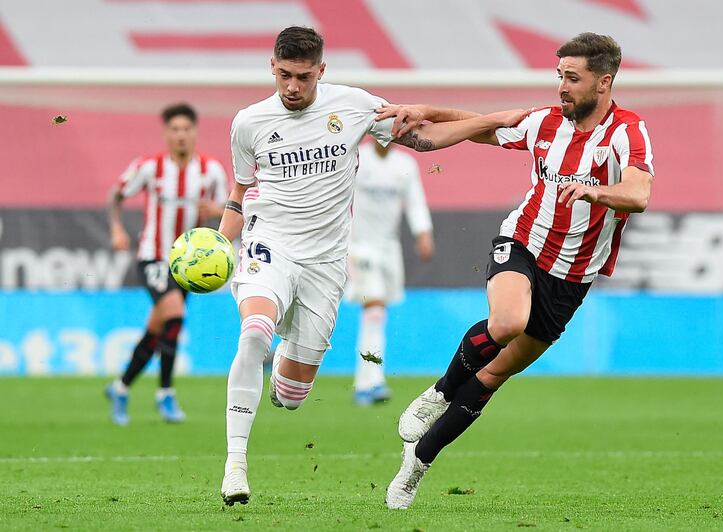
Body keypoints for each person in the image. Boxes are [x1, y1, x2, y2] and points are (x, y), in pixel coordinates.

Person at [215, 26, 525, 506]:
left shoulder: (354, 105)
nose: (293, 87)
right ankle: (235, 465)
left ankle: (280, 372)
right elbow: (239, 194)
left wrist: (496, 120)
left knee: (293, 395)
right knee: (254, 330)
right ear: (270, 68)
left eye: (302, 77)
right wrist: (219, 243)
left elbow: (424, 139)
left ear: (321, 70)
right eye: (283, 76)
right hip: (269, 243)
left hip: (326, 262)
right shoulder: (249, 123)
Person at [381, 32, 655, 509]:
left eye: (573, 78)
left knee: (491, 377)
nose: (562, 87)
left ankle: (417, 463)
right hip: (523, 243)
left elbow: (639, 194)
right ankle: (439, 393)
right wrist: (422, 113)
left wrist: (597, 193)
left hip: (572, 276)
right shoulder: (546, 124)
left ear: (604, 82)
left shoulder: (627, 132)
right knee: (506, 322)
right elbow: (480, 124)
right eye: (559, 77)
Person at [105, 103, 229, 426]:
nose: (180, 136)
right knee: (174, 312)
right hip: (154, 256)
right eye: (174, 130)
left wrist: (214, 209)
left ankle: (120, 387)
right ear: (166, 134)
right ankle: (165, 393)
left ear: (195, 132)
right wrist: (117, 228)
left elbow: (230, 208)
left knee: (159, 327)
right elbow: (116, 195)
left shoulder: (211, 170)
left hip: (190, 265)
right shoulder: (149, 167)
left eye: (186, 129)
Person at [347, 139, 434, 406]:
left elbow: (415, 201)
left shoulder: (404, 164)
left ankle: (367, 382)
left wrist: (423, 233)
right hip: (358, 245)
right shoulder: (356, 157)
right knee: (375, 307)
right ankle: (370, 382)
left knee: (378, 312)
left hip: (389, 247)